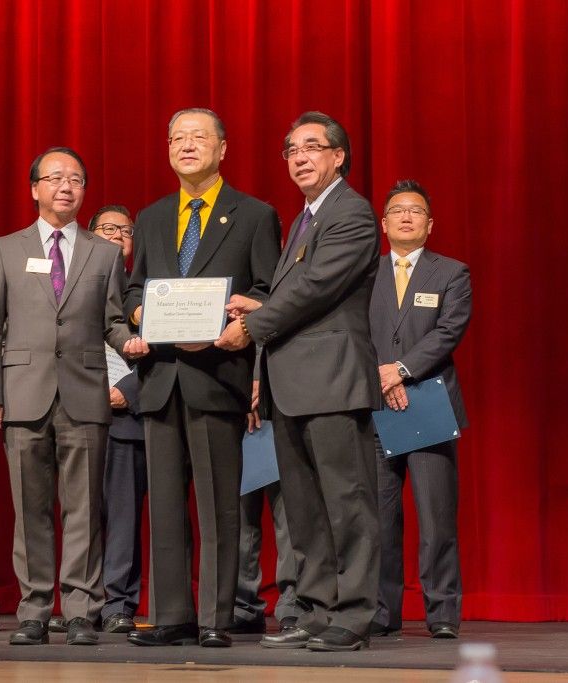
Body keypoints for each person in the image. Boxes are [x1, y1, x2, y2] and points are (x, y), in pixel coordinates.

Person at [216, 111, 382, 652]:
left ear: (339, 156)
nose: (300, 157)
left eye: (312, 146)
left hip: (332, 381)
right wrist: (259, 310)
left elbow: (317, 287)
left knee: (346, 501)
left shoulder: (352, 213)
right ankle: (316, 607)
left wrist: (252, 325)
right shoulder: (306, 218)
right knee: (306, 507)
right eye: (291, 149)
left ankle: (353, 613)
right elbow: (298, 293)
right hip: (291, 383)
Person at [0, 148, 149, 646]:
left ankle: (80, 610)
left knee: (83, 510)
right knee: (31, 511)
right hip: (23, 394)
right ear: (35, 188)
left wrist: (131, 343)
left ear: (84, 190)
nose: (65, 186)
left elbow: (112, 320)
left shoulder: (104, 252)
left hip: (85, 394)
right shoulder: (5, 249)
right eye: (55, 178)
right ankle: (33, 610)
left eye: (75, 179)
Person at [124, 108, 281, 648]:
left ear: (222, 149)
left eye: (198, 137)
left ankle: (216, 617)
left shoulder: (254, 215)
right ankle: (171, 615)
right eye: (177, 138)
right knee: (165, 506)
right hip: (161, 378)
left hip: (218, 375)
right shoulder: (151, 217)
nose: (186, 145)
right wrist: (141, 314)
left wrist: (239, 326)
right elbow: (134, 288)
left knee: (219, 505)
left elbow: (268, 291)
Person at [368, 179, 472, 640]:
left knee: (436, 518)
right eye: (397, 210)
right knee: (379, 520)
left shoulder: (451, 272)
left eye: (415, 211)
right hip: (375, 405)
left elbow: (449, 331)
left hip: (427, 402)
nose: (406, 216)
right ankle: (381, 612)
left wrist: (401, 369)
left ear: (430, 224)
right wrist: (379, 374)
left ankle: (442, 611)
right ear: (384, 223)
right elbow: (352, 330)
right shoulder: (364, 273)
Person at [91, 205, 147, 634]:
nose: (115, 236)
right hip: (77, 414)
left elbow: (167, 349)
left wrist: (129, 390)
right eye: (106, 228)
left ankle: (117, 604)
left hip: (129, 417)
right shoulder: (71, 285)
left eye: (124, 231)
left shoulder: (145, 291)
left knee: (124, 516)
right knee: (81, 516)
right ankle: (82, 601)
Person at [229, 383, 300, 634]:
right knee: (241, 518)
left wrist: (261, 384)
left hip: (282, 407)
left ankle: (292, 603)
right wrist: (243, 393)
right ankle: (243, 605)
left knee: (288, 517)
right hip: (236, 411)